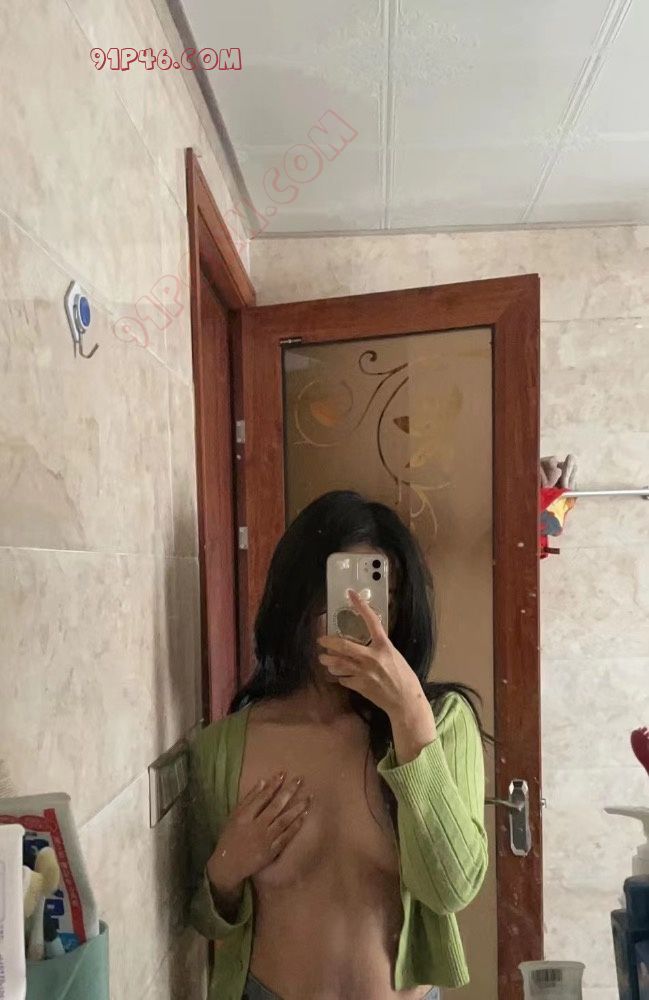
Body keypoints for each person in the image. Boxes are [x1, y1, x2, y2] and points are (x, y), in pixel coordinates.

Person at [189, 491, 488, 1000]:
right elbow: (202, 919)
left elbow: (452, 889)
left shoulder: (440, 723)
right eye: (336, 593)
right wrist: (225, 868)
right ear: (298, 598)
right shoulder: (226, 747)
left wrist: (409, 715)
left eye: (379, 597)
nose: (358, 615)